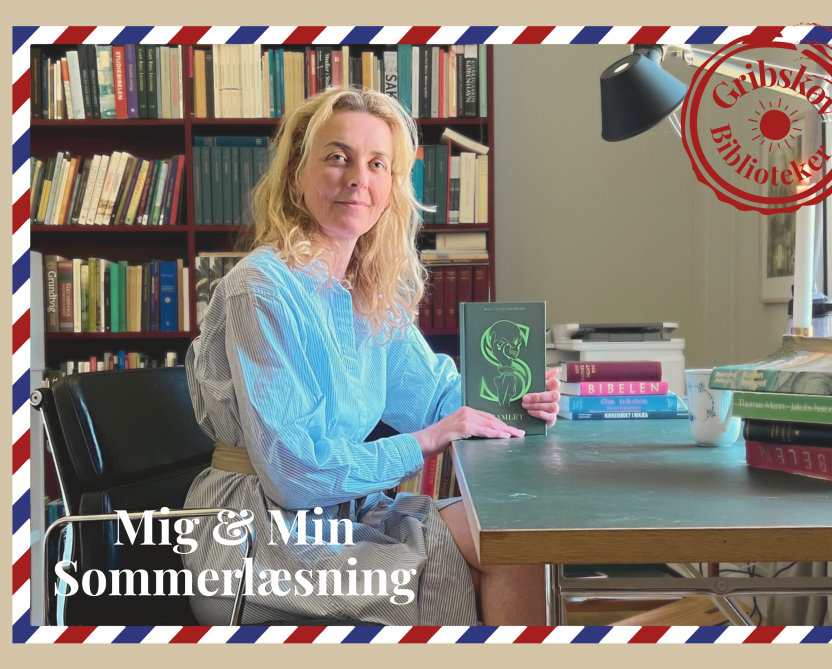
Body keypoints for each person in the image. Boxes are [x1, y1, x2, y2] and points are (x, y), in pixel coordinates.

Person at [182, 86, 561, 627]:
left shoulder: (365, 292)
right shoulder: (261, 289)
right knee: (474, 564)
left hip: (343, 514)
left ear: (391, 186)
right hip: (261, 541)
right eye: (338, 157)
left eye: (377, 163)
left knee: (513, 541)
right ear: (296, 173)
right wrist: (426, 441)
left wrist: (517, 396)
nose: (359, 177)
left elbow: (437, 397)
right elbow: (291, 473)